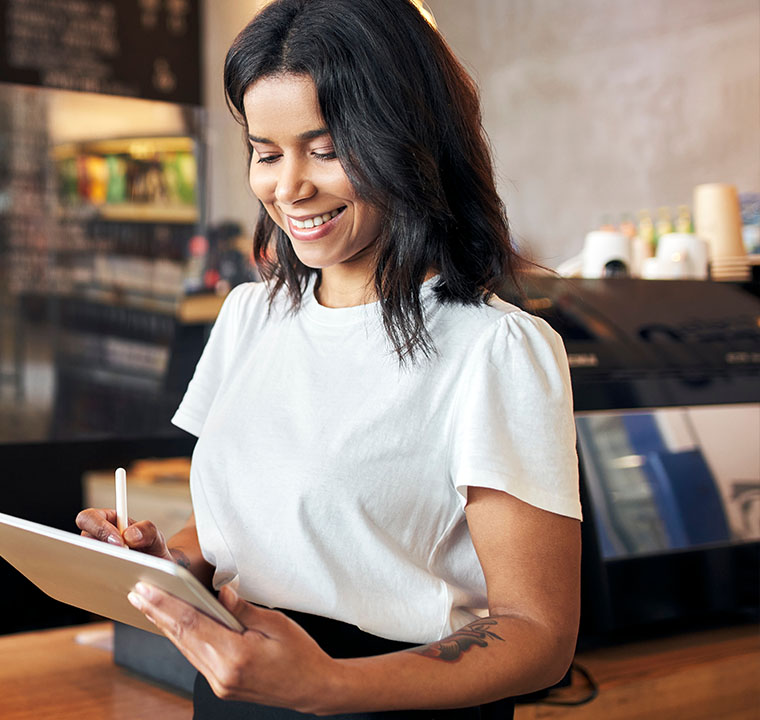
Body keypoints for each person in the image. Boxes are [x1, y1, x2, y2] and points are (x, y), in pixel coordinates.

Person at [77, 1, 582, 717]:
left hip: (396, 701)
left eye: (325, 149)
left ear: (408, 140)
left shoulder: (496, 350)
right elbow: (256, 532)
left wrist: (330, 687)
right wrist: (170, 560)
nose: (288, 189)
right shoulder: (251, 317)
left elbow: (540, 633)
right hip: (236, 696)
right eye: (266, 151)